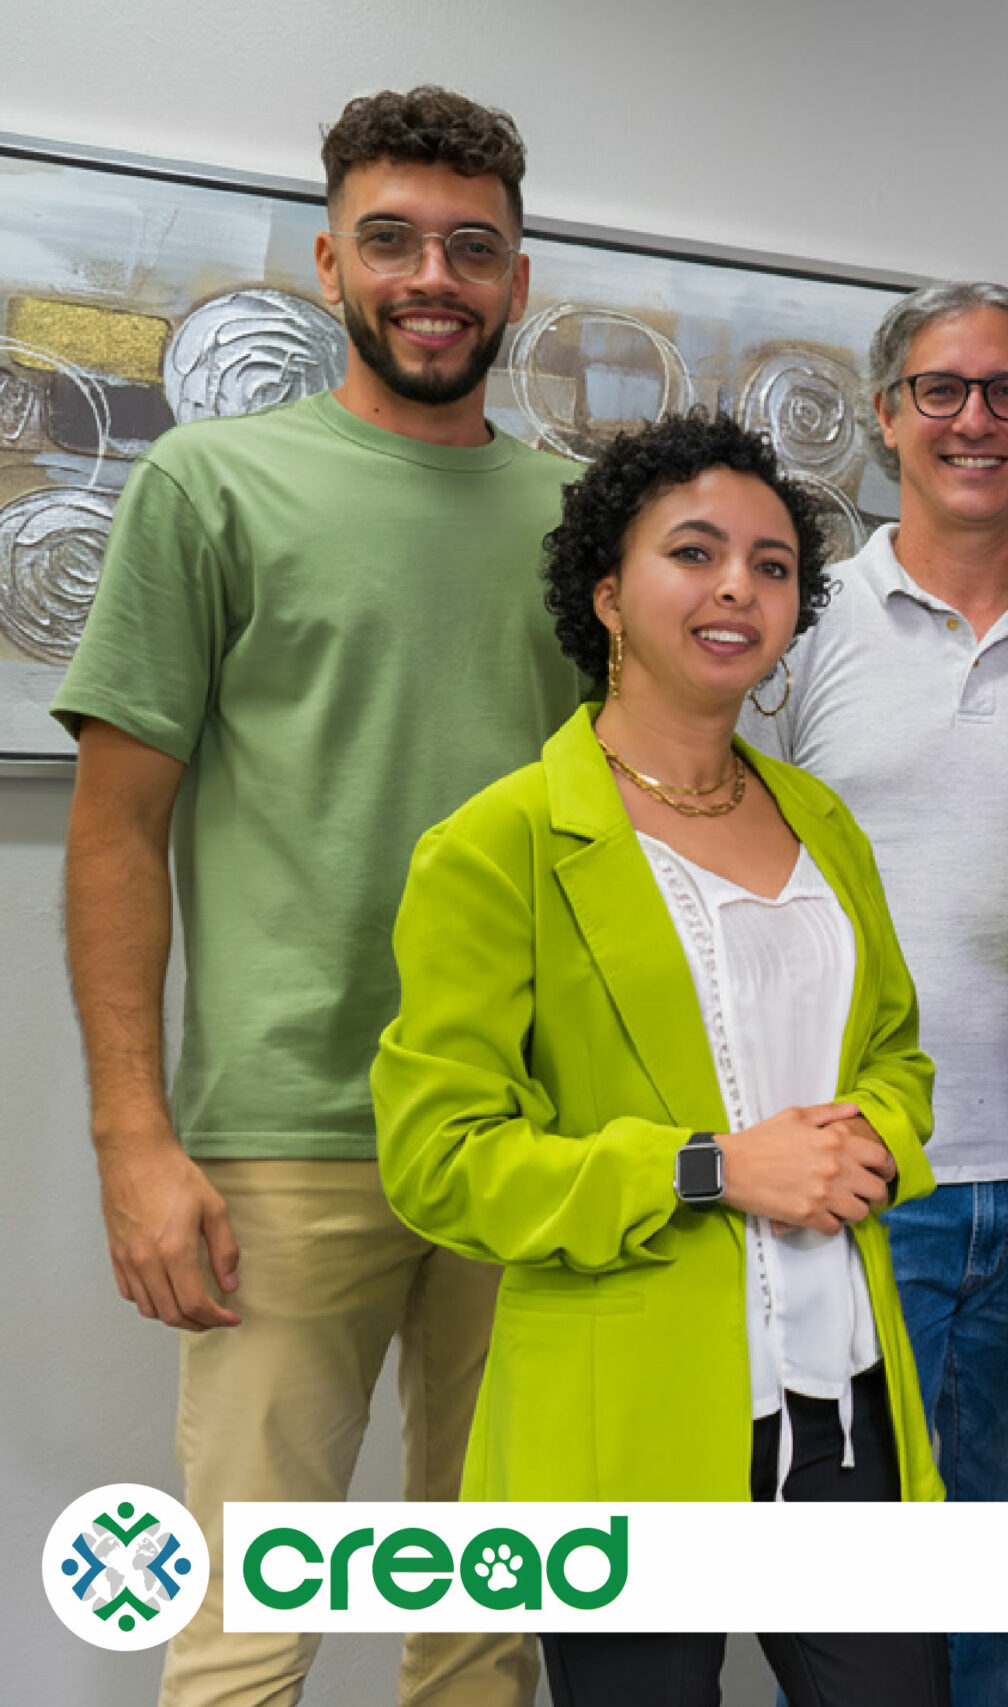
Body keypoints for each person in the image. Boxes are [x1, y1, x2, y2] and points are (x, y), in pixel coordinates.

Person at [54, 85, 569, 1707]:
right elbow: (116, 832)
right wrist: (133, 1137)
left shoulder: (586, 524)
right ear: (333, 265)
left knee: (487, 1627)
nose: (434, 278)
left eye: (471, 248)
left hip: (531, 1138)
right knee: (242, 1634)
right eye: (394, 241)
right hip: (286, 1135)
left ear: (517, 281)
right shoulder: (208, 486)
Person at [372, 412, 947, 1706]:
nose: (738, 586)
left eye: (772, 565)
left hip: (841, 1386)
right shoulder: (502, 843)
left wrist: (869, 1135)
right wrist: (710, 1167)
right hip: (623, 1416)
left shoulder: (822, 820)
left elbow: (897, 1053)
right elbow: (442, 1161)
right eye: (694, 552)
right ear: (606, 594)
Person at [740, 280, 1008, 1707]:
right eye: (941, 390)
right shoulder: (797, 615)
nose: (976, 420)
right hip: (855, 1173)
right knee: (853, 1604)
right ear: (886, 415)